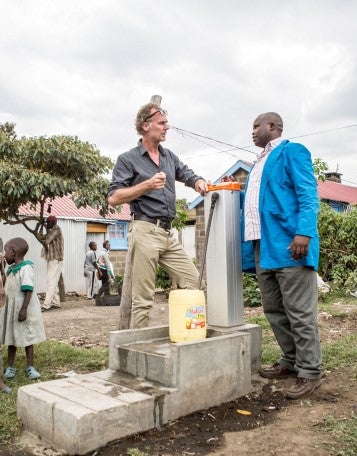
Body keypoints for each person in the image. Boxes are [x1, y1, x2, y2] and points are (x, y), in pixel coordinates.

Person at [241, 112, 322, 399]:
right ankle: (291, 361)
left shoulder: (292, 151)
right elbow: (256, 200)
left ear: (272, 127)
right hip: (262, 245)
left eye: (255, 126)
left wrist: (304, 232)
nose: (251, 131)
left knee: (299, 311)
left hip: (290, 243)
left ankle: (310, 370)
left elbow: (308, 193)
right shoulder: (258, 163)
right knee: (274, 309)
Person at [108, 102, 208, 328]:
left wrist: (198, 182)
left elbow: (186, 173)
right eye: (162, 123)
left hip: (166, 233)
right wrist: (147, 185)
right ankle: (137, 351)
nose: (166, 128)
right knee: (143, 299)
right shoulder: (128, 159)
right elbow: (114, 197)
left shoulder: (168, 157)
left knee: (194, 280)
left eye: (166, 123)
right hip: (144, 230)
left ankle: (183, 330)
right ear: (145, 125)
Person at [0, 237, 46, 380]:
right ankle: (10, 367)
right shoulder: (11, 270)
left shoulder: (26, 268)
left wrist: (24, 309)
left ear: (13, 252)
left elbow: (28, 290)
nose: (4, 255)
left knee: (27, 338)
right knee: (11, 339)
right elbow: (7, 285)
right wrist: (2, 270)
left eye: (5, 252)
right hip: (13, 310)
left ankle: (30, 367)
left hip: (23, 309)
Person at [40, 215, 64, 311]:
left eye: (48, 222)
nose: (47, 224)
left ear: (53, 222)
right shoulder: (53, 229)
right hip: (52, 259)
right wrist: (42, 226)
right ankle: (56, 302)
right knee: (51, 281)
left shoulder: (56, 229)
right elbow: (46, 237)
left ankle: (46, 305)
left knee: (51, 281)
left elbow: (46, 240)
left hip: (55, 259)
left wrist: (41, 228)